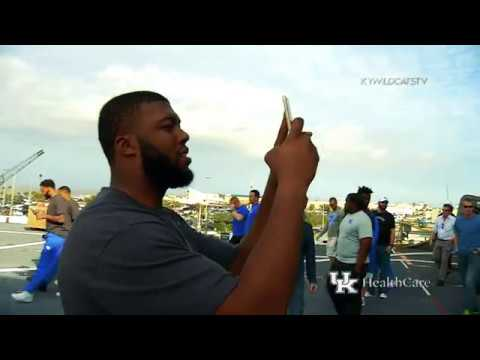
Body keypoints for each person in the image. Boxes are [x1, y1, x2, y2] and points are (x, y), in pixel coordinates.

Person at [58, 91, 319, 315]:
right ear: (127, 146)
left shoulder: (158, 218)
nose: (183, 135)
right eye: (167, 126)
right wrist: (293, 185)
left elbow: (240, 260)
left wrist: (277, 176)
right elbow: (258, 310)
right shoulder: (124, 232)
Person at [11, 179, 71, 303]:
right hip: (61, 238)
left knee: (43, 265)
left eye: (42, 189)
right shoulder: (56, 200)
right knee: (53, 267)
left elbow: (61, 218)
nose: (42, 192)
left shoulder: (58, 200)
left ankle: (28, 292)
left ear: (48, 188)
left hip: (56, 237)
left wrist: (44, 216)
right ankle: (39, 285)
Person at [327, 193, 372, 315]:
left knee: (351, 297)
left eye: (347, 201)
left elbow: (366, 243)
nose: (345, 204)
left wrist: (358, 268)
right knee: (332, 287)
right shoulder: (347, 216)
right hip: (340, 262)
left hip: (352, 265)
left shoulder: (363, 218)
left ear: (354, 203)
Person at [453, 199, 480, 315]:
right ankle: (475, 292)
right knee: (465, 282)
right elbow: (456, 234)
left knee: (469, 282)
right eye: (465, 206)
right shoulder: (458, 220)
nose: (468, 208)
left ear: (473, 208)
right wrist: (456, 248)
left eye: (470, 206)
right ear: (462, 208)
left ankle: (472, 309)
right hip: (462, 254)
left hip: (475, 254)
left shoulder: (479, 220)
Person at [287, 217, 318, 315]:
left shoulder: (273, 224)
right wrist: (312, 279)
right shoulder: (305, 228)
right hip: (295, 269)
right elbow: (310, 255)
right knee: (296, 304)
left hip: (274, 271)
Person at [356, 186, 380, 304]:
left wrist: (367, 247)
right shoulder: (351, 213)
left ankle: (361, 296)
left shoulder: (371, 216)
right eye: (364, 198)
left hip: (367, 252)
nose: (367, 201)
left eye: (368, 198)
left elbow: (375, 235)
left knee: (366, 275)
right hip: (352, 251)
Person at [371, 196, 396, 298]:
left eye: (386, 202)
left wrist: (391, 245)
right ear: (378, 203)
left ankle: (382, 291)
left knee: (384, 270)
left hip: (384, 245)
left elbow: (392, 232)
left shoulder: (390, 216)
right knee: (371, 269)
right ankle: (370, 290)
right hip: (372, 246)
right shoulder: (372, 214)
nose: (384, 204)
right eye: (382, 202)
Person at [431, 204, 456, 286]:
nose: (444, 212)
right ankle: (446, 270)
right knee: (435, 258)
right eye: (443, 210)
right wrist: (432, 239)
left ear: (450, 211)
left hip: (448, 242)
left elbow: (457, 232)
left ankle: (441, 279)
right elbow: (435, 230)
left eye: (446, 210)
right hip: (438, 241)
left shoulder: (454, 220)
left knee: (444, 261)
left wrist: (453, 240)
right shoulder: (439, 219)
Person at [317, 197, 344, 261]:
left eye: (333, 204)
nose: (332, 206)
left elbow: (342, 225)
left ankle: (334, 267)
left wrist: (340, 236)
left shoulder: (340, 212)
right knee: (330, 254)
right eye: (331, 204)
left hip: (336, 236)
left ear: (336, 203)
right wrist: (320, 235)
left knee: (333, 254)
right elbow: (326, 226)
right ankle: (334, 267)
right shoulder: (330, 213)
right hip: (330, 236)